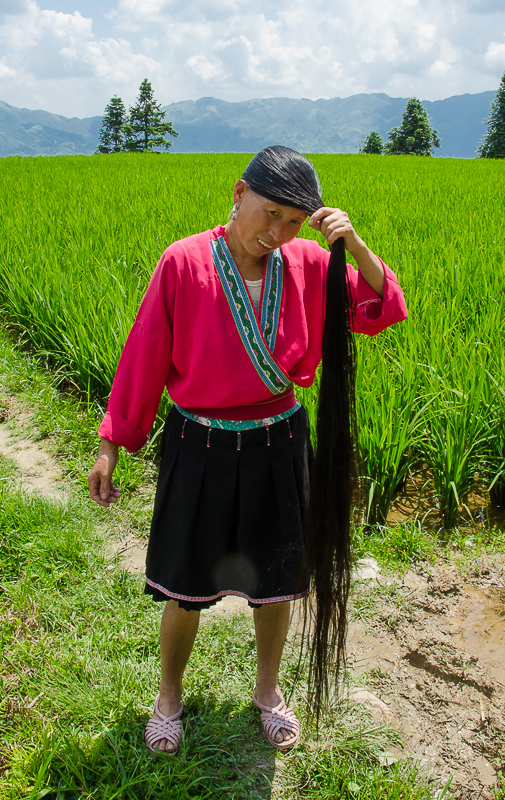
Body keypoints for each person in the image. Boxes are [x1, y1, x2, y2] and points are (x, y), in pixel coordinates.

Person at [87, 146, 407, 755]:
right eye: (270, 213)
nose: (277, 232)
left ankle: (267, 693)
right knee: (185, 586)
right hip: (198, 442)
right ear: (239, 194)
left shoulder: (311, 262)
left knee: (278, 581)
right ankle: (169, 697)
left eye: (294, 221)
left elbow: (380, 308)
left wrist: (355, 245)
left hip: (278, 442)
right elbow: (146, 352)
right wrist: (112, 444)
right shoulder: (184, 262)